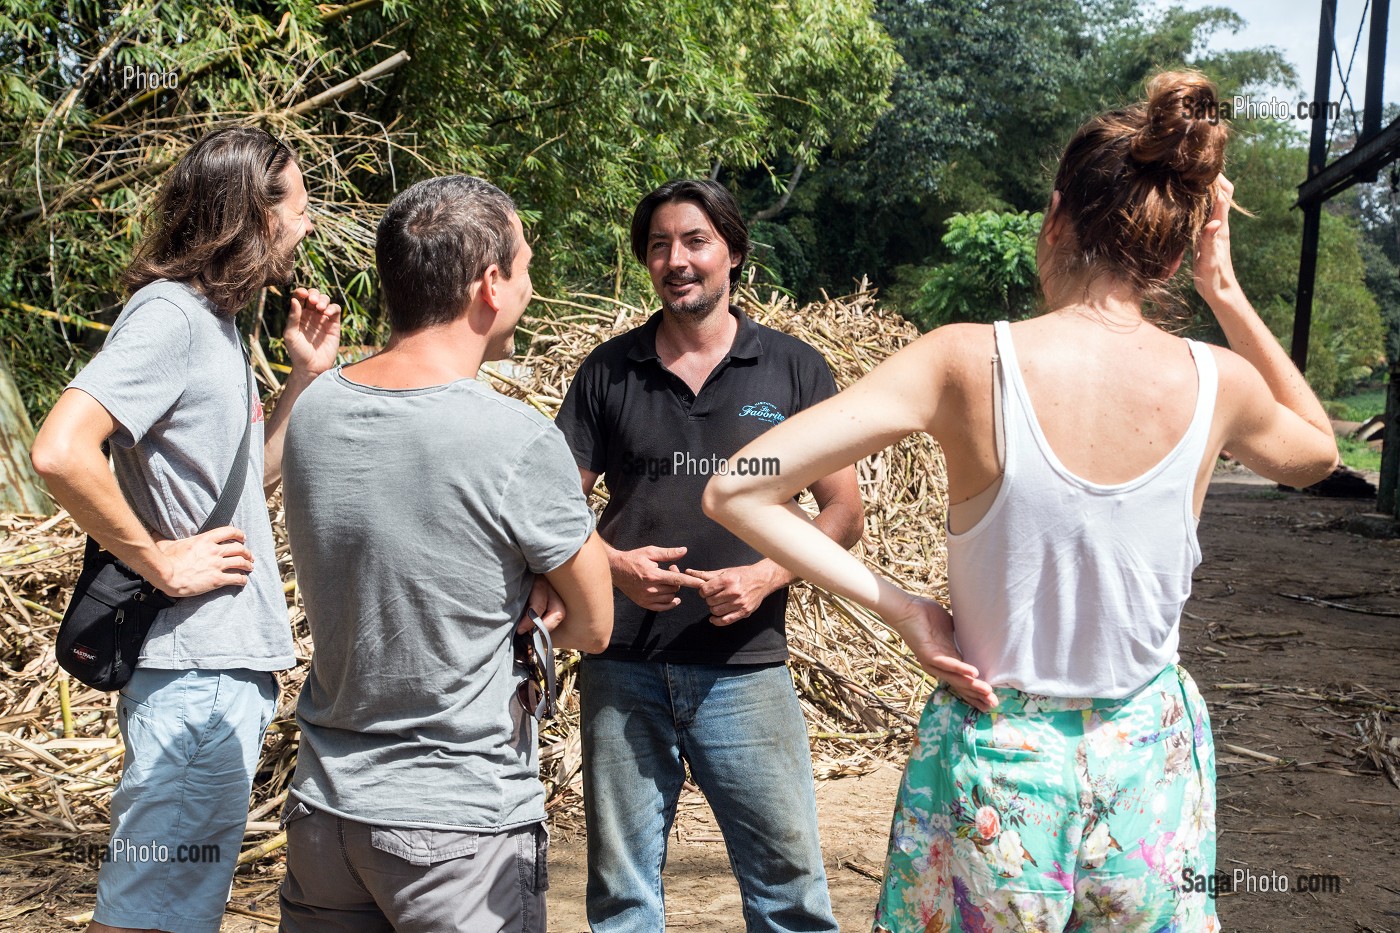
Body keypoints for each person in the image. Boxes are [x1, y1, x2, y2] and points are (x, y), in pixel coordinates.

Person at [704, 71, 1338, 932]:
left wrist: (903, 610)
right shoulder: (1218, 381)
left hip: (998, 761)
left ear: (1054, 216)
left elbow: (737, 487)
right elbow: (1319, 451)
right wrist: (1225, 293)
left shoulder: (964, 361)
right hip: (1148, 762)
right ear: (1176, 248)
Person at [276, 174, 613, 932]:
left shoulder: (317, 409)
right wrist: (531, 595)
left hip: (325, 811)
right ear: (490, 284)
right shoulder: (517, 439)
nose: (530, 285)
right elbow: (595, 623)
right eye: (525, 266)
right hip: (458, 825)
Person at [29, 127, 341, 933]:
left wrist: (303, 376)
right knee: (146, 910)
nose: (306, 226)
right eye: (297, 210)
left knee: (170, 900)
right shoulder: (169, 317)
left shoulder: (216, 324)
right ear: (251, 215)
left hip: (213, 670)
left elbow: (246, 484)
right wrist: (159, 560)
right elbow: (61, 450)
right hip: (193, 675)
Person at [553, 179, 864, 932]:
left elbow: (845, 510)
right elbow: (555, 509)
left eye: (694, 241)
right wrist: (618, 566)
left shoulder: (791, 370)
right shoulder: (608, 371)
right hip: (621, 663)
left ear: (732, 252)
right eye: (659, 245)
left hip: (746, 667)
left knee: (789, 892)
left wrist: (766, 575)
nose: (676, 260)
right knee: (622, 896)